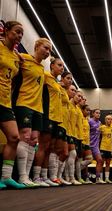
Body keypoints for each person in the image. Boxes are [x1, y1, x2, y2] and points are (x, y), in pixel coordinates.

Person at [14, 37, 52, 187]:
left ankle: (28, 177)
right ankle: (22, 176)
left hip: (38, 109)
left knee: (34, 140)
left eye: (50, 50)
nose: (48, 52)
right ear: (37, 46)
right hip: (24, 103)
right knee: (25, 136)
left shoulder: (42, 68)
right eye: (46, 48)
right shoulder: (23, 58)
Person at [0, 20, 25, 189]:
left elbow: (13, 80)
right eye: (17, 31)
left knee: (14, 137)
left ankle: (6, 177)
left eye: (21, 33)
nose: (19, 35)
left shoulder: (17, 57)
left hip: (5, 102)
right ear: (6, 30)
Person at [32, 57, 64, 187]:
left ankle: (44, 177)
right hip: (47, 116)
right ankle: (35, 176)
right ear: (52, 66)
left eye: (62, 66)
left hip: (56, 118)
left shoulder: (56, 82)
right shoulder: (45, 75)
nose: (62, 68)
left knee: (50, 148)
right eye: (59, 65)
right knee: (43, 147)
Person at [89, 109, 105, 184]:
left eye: (99, 113)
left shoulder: (99, 123)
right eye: (97, 113)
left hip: (95, 146)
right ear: (93, 113)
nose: (98, 114)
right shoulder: (89, 121)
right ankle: (85, 178)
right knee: (87, 161)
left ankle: (97, 178)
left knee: (100, 160)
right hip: (88, 144)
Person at [99, 115, 112, 183]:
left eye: (110, 119)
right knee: (102, 163)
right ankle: (101, 178)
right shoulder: (101, 127)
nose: (109, 121)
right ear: (105, 120)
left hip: (109, 148)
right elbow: (98, 137)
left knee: (108, 163)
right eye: (108, 119)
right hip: (103, 147)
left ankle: (107, 178)